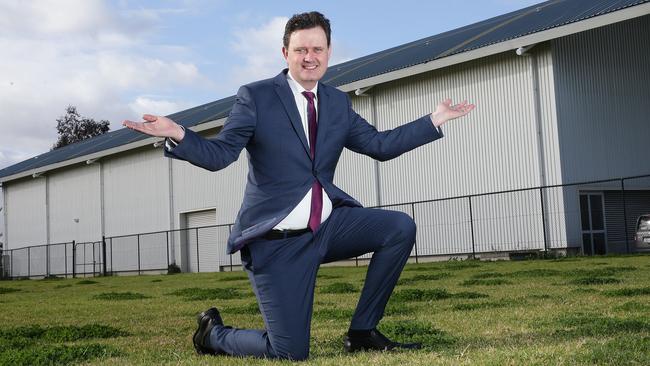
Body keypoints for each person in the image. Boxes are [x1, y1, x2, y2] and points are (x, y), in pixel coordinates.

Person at [123, 11, 475, 361]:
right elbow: (220, 154)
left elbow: (379, 146)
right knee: (289, 351)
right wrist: (178, 134)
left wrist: (435, 119)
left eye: (317, 49)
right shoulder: (256, 97)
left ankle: (363, 331)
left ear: (329, 52)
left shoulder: (337, 102)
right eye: (301, 50)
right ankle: (214, 335)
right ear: (285, 53)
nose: (310, 57)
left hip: (326, 227)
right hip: (277, 243)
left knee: (399, 227)